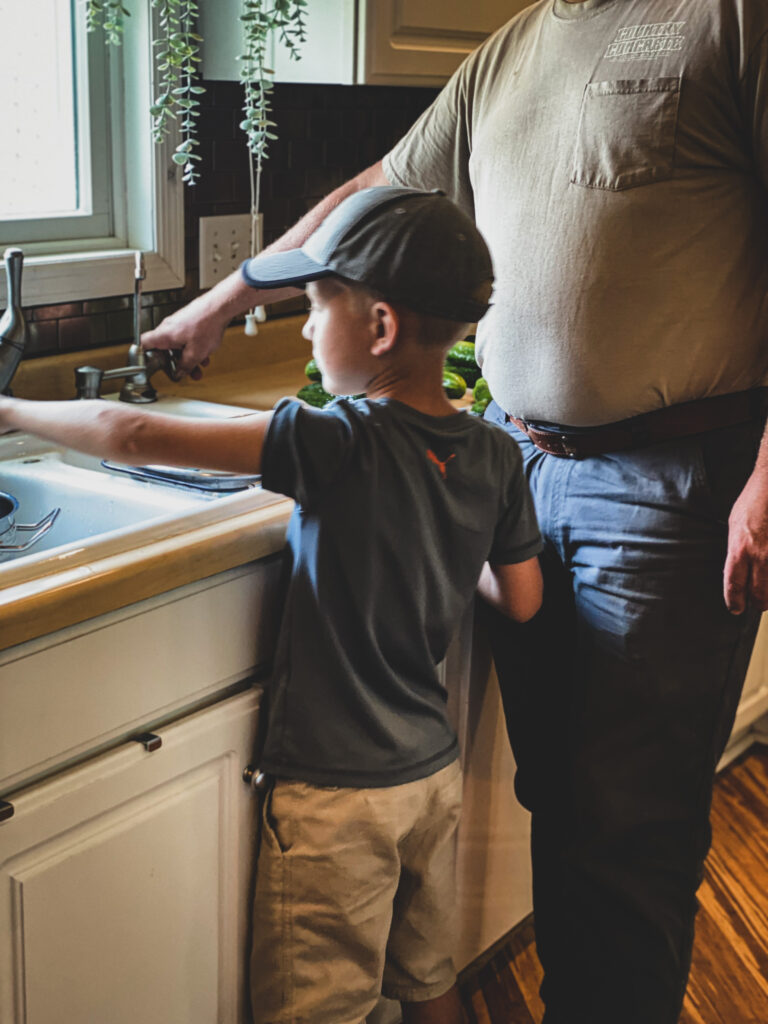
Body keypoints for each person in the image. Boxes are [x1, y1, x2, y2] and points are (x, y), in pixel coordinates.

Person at [142, 1, 768, 1021]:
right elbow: (366, 199)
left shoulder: (732, 17)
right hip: (521, 469)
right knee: (562, 805)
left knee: (629, 832)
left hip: (667, 487)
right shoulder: (510, 49)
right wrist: (221, 300)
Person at [0, 186, 544, 1024]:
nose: (302, 329)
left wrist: (6, 408)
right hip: (431, 778)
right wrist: (448, 526)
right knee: (427, 976)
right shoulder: (494, 453)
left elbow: (133, 433)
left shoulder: (336, 439)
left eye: (316, 308)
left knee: (317, 1008)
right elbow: (521, 597)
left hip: (337, 800)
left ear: (382, 328)